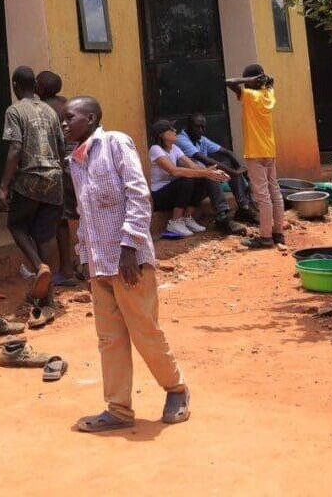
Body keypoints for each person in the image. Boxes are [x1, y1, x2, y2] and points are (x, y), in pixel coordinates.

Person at [64, 96, 191, 431]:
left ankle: (176, 389)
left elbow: (138, 194)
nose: (64, 124)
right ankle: (118, 409)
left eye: (70, 118)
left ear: (90, 118)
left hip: (127, 260)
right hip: (99, 263)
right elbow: (84, 213)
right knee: (109, 339)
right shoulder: (74, 162)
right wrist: (83, 255)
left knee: (145, 330)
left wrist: (130, 247)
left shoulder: (116, 144)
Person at [0, 66, 64, 304]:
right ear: (35, 86)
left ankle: (39, 266)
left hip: (29, 179)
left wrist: (4, 186)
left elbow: (15, 148)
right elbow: (61, 146)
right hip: (54, 178)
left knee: (16, 225)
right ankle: (49, 299)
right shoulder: (50, 111)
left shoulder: (14, 111)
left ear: (15, 85)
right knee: (46, 235)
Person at [225, 64, 284, 250]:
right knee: (275, 191)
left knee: (262, 196)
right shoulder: (268, 95)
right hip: (269, 150)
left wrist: (248, 81)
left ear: (252, 81)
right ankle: (278, 233)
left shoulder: (251, 96)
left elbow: (228, 82)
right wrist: (265, 81)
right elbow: (270, 85)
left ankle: (265, 237)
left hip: (255, 152)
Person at [148, 119, 229, 238]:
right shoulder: (155, 149)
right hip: (160, 196)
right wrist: (206, 173)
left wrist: (212, 172)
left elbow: (193, 166)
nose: (175, 131)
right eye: (171, 129)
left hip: (174, 193)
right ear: (162, 134)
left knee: (203, 179)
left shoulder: (174, 148)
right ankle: (175, 222)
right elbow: (174, 171)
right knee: (186, 179)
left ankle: (187, 218)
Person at [38, 69, 81, 287]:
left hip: (60, 169)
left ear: (42, 88)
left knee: (61, 221)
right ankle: (84, 263)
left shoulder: (44, 109)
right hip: (80, 164)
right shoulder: (69, 104)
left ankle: (66, 270)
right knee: (85, 215)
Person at [175, 113, 255, 229]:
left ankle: (244, 207)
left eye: (203, 127)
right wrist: (234, 172)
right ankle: (222, 216)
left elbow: (228, 152)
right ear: (188, 127)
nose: (201, 130)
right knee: (210, 172)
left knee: (229, 162)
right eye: (197, 127)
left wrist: (241, 170)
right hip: (188, 185)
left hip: (202, 180)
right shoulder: (181, 139)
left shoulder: (201, 139)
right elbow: (204, 159)